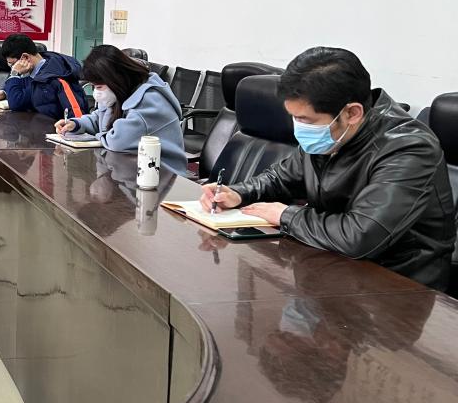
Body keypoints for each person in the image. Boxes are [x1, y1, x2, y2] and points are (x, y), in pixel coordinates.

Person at [201, 46, 455, 291]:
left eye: (305, 120)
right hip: (332, 263)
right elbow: (282, 177)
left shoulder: (409, 148)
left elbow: (359, 236)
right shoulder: (331, 134)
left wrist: (286, 215)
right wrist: (238, 193)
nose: (298, 128)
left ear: (352, 113)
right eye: (294, 117)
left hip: (397, 287)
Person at [55, 44, 189, 176]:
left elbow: (116, 141)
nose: (96, 92)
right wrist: (76, 124)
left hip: (163, 175)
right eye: (93, 87)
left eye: (99, 87)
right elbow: (99, 119)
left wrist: (98, 135)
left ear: (115, 80)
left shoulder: (149, 102)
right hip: (134, 169)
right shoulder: (121, 92)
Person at [0, 33, 87, 118]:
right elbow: (25, 87)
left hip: (55, 130)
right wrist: (3, 93)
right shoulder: (35, 70)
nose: (13, 68)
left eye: (13, 64)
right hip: (35, 125)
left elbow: (16, 103)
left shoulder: (55, 77)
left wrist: (14, 74)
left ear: (25, 57)